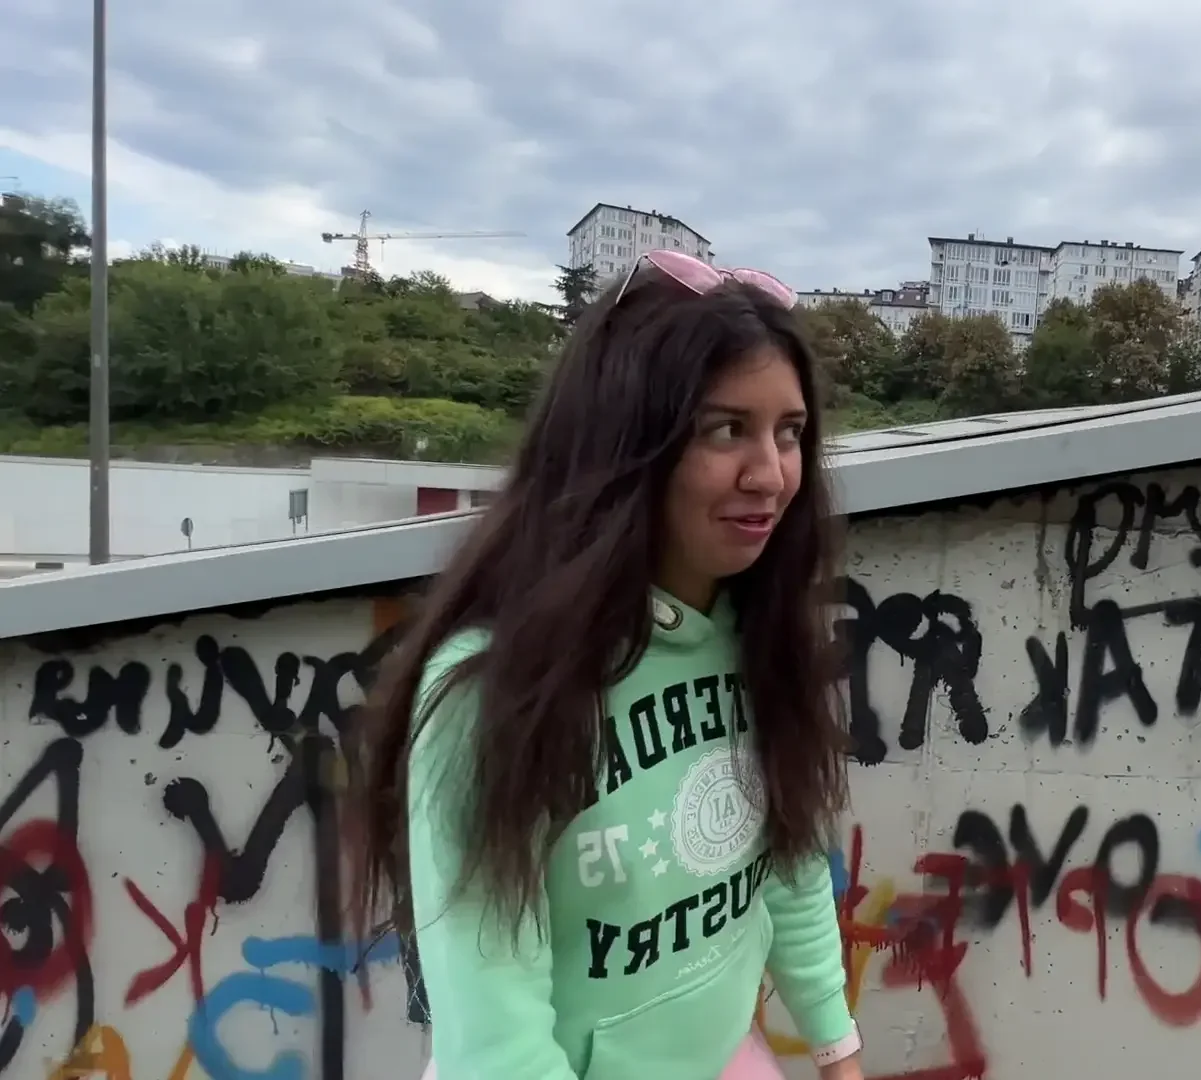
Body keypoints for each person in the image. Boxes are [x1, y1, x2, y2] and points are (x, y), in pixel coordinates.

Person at [344, 250, 862, 1080]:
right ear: (625, 445)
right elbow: (496, 1045)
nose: (770, 474)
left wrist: (837, 1052)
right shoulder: (495, 690)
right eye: (726, 429)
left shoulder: (761, 639)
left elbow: (790, 863)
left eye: (789, 432)